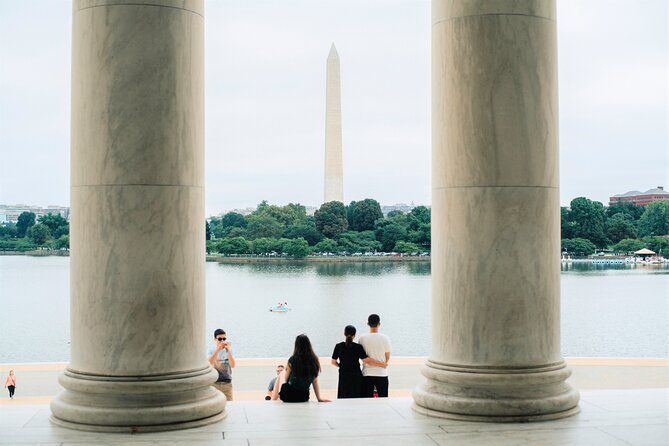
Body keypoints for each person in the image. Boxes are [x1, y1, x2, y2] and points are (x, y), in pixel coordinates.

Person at [331, 325, 388, 398]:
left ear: (344, 334)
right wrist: (381, 364)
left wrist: (341, 366)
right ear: (354, 335)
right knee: (357, 398)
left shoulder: (338, 346)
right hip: (356, 376)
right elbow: (367, 360)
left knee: (344, 397)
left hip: (343, 376)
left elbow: (333, 362)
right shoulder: (357, 347)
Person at [271, 334, 330, 403]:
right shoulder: (314, 360)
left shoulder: (292, 360)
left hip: (288, 396)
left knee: (282, 373)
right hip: (304, 397)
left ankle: (275, 398)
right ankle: (276, 397)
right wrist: (319, 398)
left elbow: (285, 380)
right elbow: (315, 381)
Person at [358, 314, 392, 398]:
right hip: (382, 374)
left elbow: (363, 358)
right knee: (383, 401)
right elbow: (387, 356)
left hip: (367, 374)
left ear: (368, 324)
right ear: (379, 324)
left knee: (366, 402)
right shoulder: (385, 338)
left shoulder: (362, 338)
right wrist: (382, 364)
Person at [208, 328, 236, 401]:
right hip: (214, 383)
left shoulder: (230, 350)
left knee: (230, 405)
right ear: (215, 339)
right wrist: (218, 350)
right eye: (220, 339)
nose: (222, 341)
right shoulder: (211, 350)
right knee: (213, 404)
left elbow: (233, 365)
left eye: (224, 339)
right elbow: (209, 363)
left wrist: (228, 350)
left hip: (227, 383)